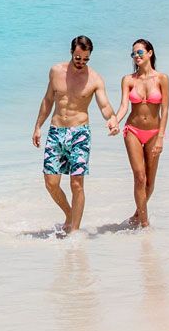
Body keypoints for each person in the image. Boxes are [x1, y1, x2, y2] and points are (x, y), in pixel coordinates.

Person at [31, 35, 119, 237]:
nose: (81, 62)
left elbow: (104, 105)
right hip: (56, 131)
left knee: (76, 184)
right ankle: (70, 215)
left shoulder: (94, 79)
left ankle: (75, 233)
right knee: (51, 183)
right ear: (72, 52)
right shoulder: (56, 71)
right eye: (78, 58)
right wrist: (37, 126)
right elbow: (47, 100)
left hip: (80, 133)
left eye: (86, 59)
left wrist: (112, 118)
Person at [115, 38, 169, 229]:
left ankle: (138, 214)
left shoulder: (162, 78)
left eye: (139, 52)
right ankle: (145, 225)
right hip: (133, 130)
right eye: (133, 54)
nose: (136, 56)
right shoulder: (128, 80)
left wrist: (161, 137)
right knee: (139, 176)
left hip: (154, 132)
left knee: (149, 182)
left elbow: (165, 111)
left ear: (150, 53)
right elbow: (123, 106)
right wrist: (115, 120)